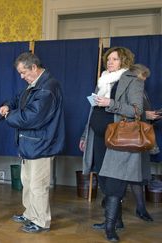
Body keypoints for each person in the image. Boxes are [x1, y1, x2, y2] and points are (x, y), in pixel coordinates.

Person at [79, 47, 145, 242]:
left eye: (114, 59)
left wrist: (111, 103)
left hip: (118, 139)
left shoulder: (133, 80)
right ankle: (116, 220)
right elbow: (92, 111)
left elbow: (136, 111)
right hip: (98, 138)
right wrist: (85, 135)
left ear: (124, 61)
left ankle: (110, 228)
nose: (109, 62)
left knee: (115, 182)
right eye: (108, 59)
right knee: (104, 180)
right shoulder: (103, 79)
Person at [0, 52, 65, 233]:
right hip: (31, 143)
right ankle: (30, 214)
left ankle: (41, 221)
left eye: (23, 72)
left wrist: (8, 116)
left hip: (41, 144)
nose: (21, 76)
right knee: (27, 181)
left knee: (38, 185)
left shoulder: (47, 88)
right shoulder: (35, 84)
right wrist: (8, 105)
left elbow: (31, 118)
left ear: (34, 68)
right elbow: (18, 99)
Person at [128, 64, 160, 221]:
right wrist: (146, 114)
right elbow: (125, 111)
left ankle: (140, 208)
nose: (143, 82)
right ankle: (140, 208)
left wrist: (151, 115)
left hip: (142, 137)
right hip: (131, 138)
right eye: (142, 78)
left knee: (138, 174)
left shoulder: (142, 91)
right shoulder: (127, 90)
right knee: (134, 174)